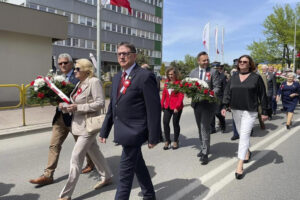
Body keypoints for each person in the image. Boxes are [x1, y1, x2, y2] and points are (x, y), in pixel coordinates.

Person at [99, 42, 161, 200]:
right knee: (138, 165)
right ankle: (149, 195)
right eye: (119, 53)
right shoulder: (117, 77)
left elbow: (153, 110)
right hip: (122, 130)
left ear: (134, 55)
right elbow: (113, 106)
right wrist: (105, 130)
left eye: (125, 53)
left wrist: (154, 136)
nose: (121, 56)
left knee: (125, 175)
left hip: (136, 131)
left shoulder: (145, 76)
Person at [29, 53, 94, 186]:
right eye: (60, 63)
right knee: (54, 145)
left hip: (75, 118)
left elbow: (86, 95)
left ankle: (92, 163)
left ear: (71, 63)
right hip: (60, 118)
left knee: (82, 146)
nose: (63, 65)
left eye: (65, 63)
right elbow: (54, 96)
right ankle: (48, 175)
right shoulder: (55, 79)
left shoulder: (79, 76)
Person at [222, 55, 268, 180]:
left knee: (243, 136)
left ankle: (239, 165)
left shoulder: (256, 78)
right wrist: (224, 106)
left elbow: (263, 95)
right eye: (240, 61)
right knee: (242, 135)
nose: (242, 63)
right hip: (236, 109)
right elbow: (227, 92)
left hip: (250, 111)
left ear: (250, 64)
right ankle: (247, 152)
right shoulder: (234, 77)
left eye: (245, 62)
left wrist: (264, 111)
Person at [189, 51, 221, 165]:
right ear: (198, 61)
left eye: (207, 60)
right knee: (199, 127)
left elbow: (217, 87)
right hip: (197, 104)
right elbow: (189, 86)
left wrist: (210, 94)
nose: (206, 62)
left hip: (208, 104)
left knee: (204, 128)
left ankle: (205, 153)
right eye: (204, 60)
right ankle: (203, 147)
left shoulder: (213, 72)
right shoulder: (193, 72)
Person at [161, 67, 184, 150]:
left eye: (172, 74)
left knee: (175, 123)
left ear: (175, 74)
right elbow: (164, 94)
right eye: (169, 74)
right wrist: (161, 104)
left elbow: (181, 96)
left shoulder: (179, 83)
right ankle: (167, 140)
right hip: (167, 106)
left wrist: (177, 107)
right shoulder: (167, 83)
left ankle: (175, 141)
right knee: (165, 122)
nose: (170, 76)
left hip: (176, 107)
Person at [210, 63, 226, 134]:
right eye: (214, 68)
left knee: (217, 113)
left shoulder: (222, 76)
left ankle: (223, 125)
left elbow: (225, 88)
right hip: (210, 97)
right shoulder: (209, 76)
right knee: (211, 114)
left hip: (219, 97)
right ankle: (212, 128)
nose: (215, 70)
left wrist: (224, 99)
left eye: (217, 68)